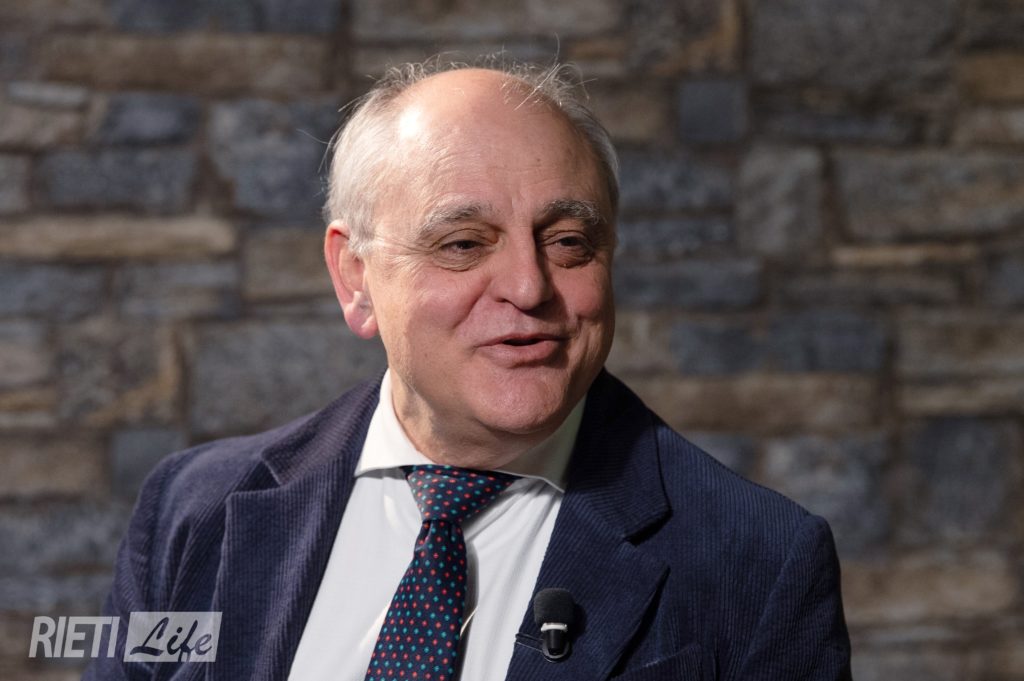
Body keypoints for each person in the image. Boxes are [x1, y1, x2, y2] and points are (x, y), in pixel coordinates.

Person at [85, 60, 851, 681]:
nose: (528, 286)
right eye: (463, 243)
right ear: (355, 278)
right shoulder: (193, 510)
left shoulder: (758, 564)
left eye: (568, 242)